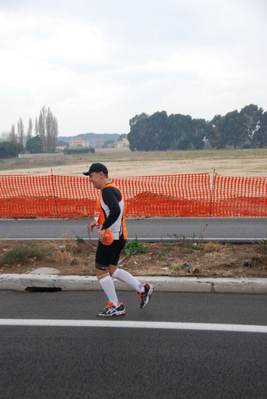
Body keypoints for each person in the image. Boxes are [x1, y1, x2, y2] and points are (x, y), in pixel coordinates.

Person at [83, 162, 155, 317]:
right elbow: (112, 211)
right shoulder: (110, 189)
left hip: (111, 238)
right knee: (111, 270)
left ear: (101, 174)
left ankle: (116, 305)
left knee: (100, 270)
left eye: (91, 176)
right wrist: (99, 222)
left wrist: (103, 228)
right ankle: (143, 289)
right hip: (118, 236)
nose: (90, 180)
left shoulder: (107, 191)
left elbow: (115, 211)